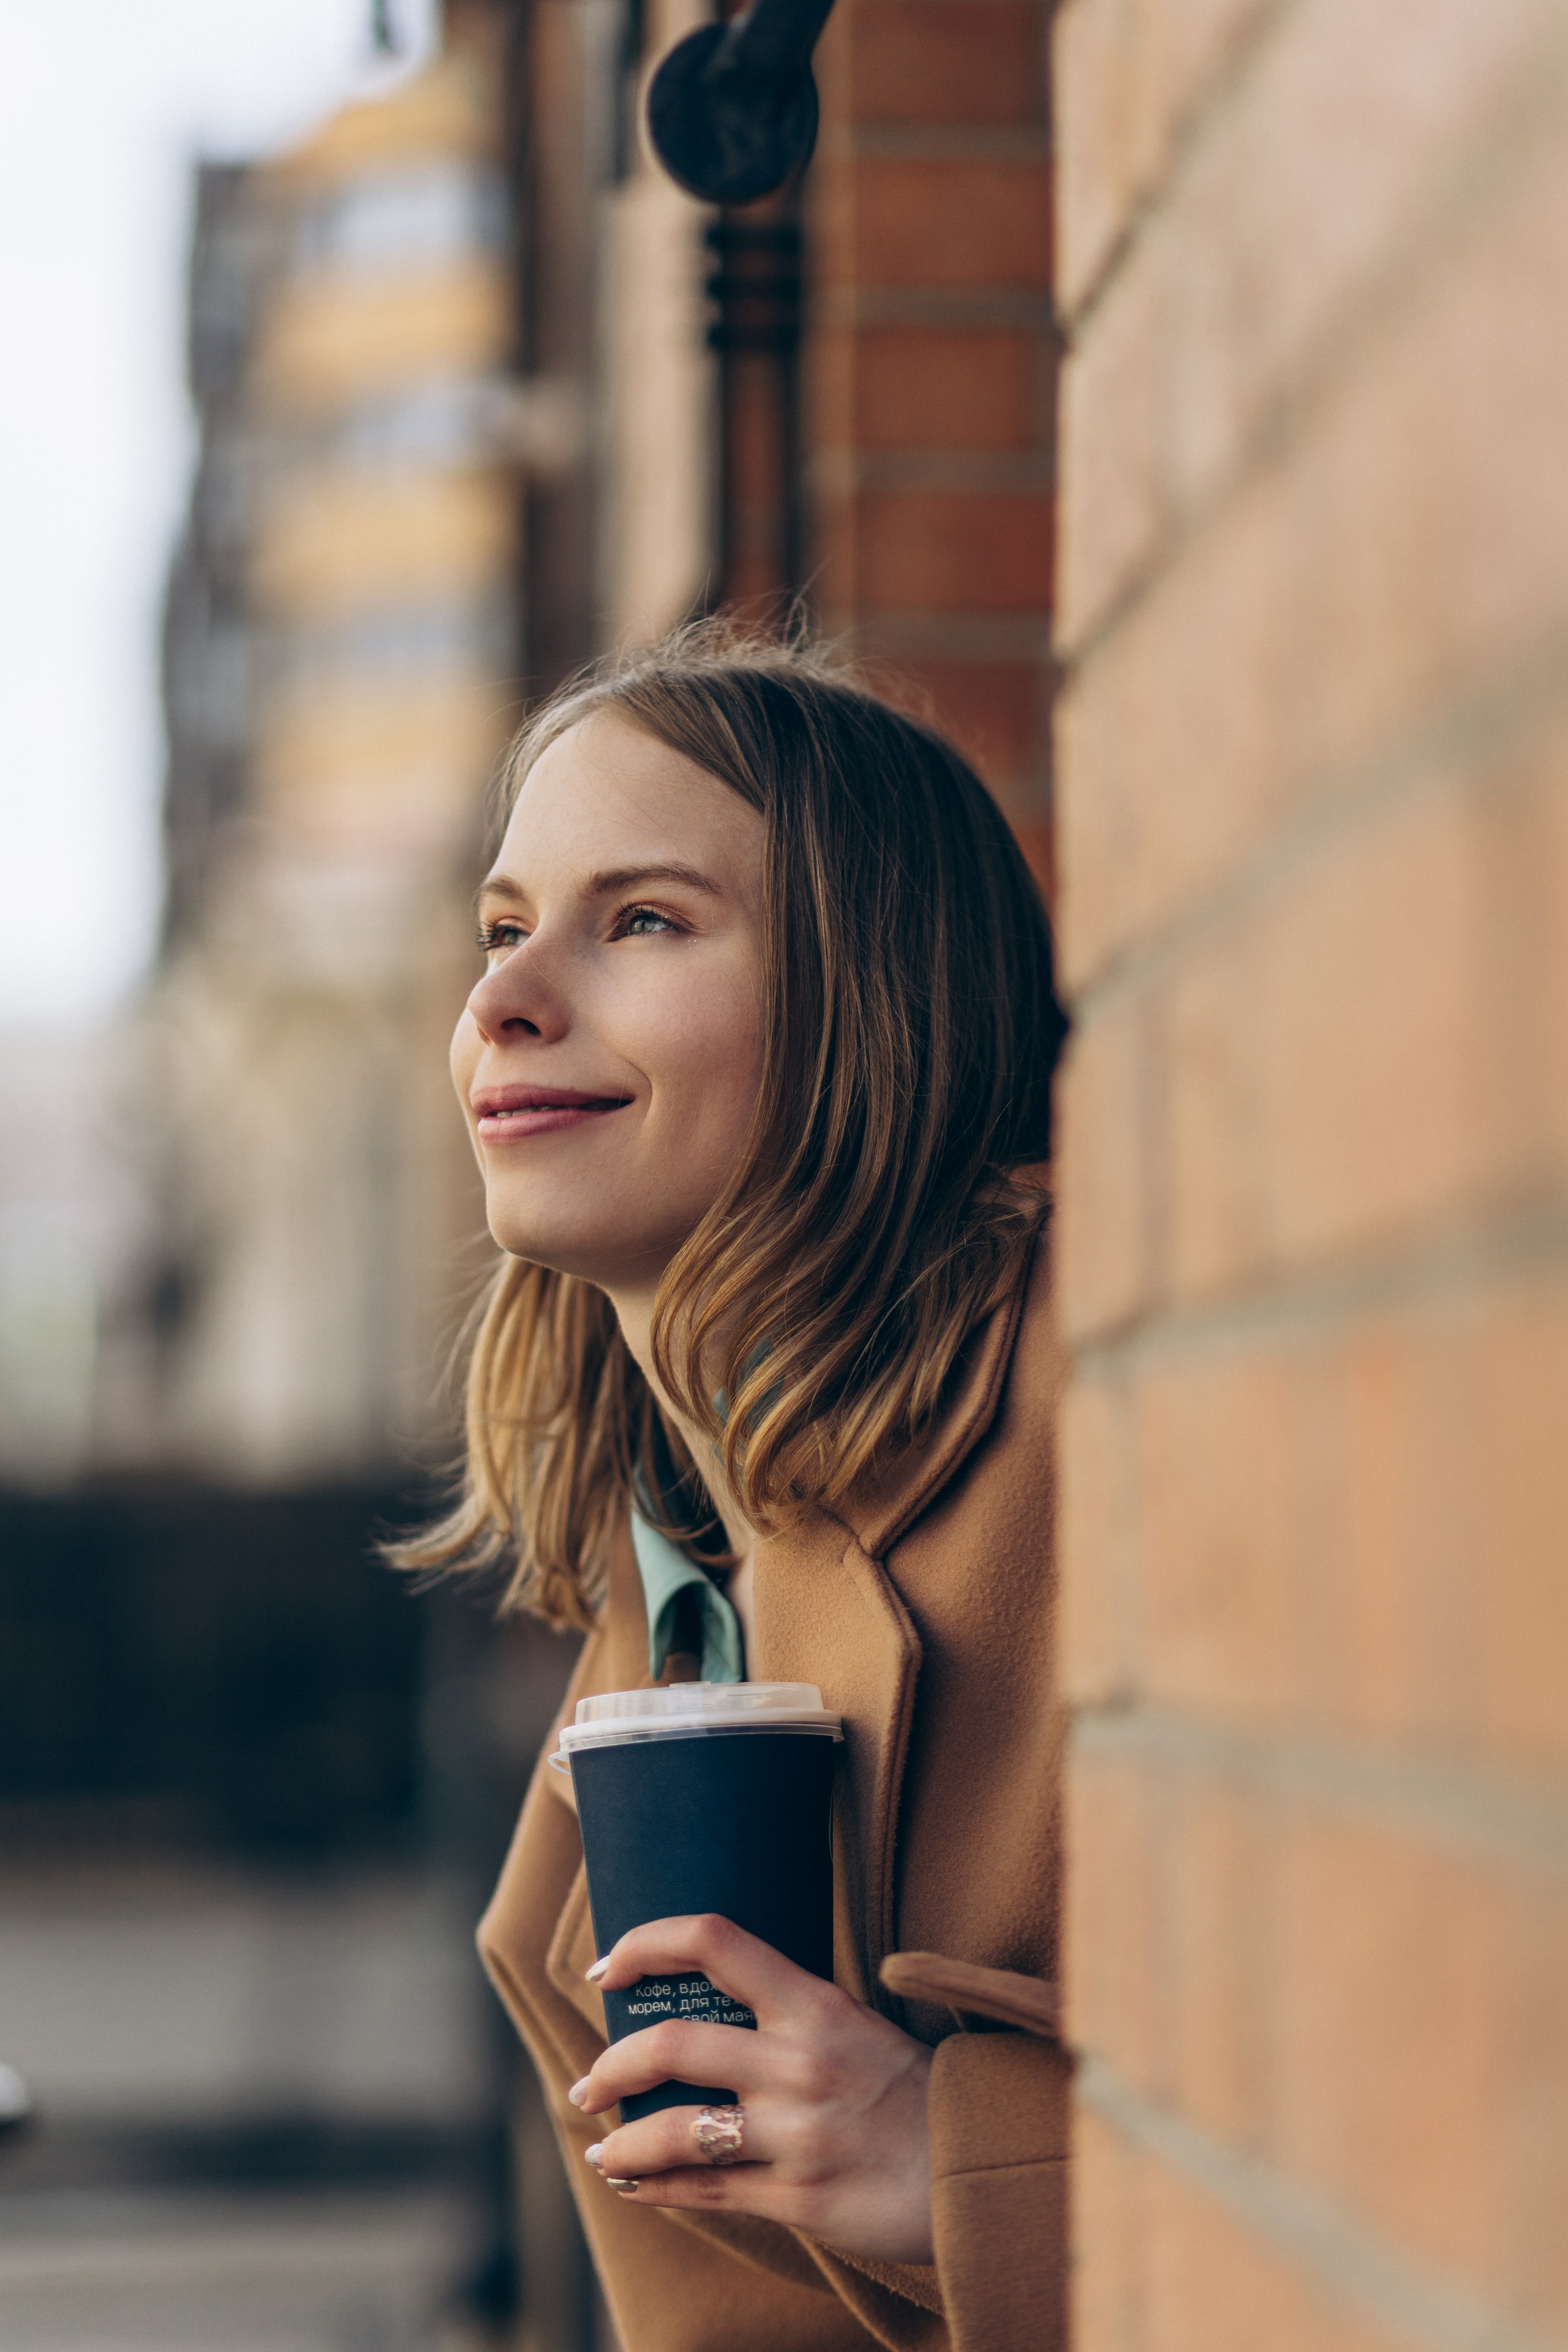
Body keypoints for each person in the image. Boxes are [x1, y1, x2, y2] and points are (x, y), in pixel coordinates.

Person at [400, 625, 1071, 2351]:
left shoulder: (1117, 1398)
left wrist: (965, 2166)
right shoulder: (664, 1594)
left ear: (873, 995)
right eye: (500, 928)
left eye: (641, 921)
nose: (504, 1002)